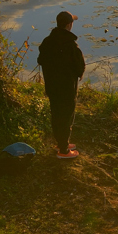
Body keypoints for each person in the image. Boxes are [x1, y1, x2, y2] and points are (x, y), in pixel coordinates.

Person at [37, 11, 86, 159]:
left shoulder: (47, 42)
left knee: (56, 114)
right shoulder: (71, 45)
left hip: (52, 87)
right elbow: (80, 68)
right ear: (69, 25)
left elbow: (41, 60)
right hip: (67, 89)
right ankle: (63, 151)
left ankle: (61, 142)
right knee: (66, 116)